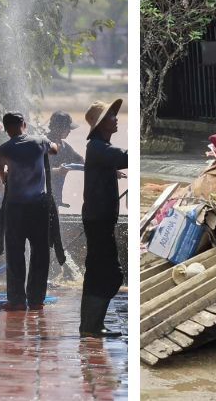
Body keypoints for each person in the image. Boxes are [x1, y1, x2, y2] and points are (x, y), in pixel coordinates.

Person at [0, 111, 59, 312]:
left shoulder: (4, 148)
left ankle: (16, 301)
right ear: (23, 124)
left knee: (15, 253)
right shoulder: (40, 141)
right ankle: (36, 300)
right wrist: (46, 145)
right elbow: (55, 150)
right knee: (40, 252)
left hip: (15, 208)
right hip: (38, 207)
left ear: (6, 129)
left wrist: (6, 174)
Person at [79, 99, 128, 338]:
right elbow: (125, 157)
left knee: (97, 272)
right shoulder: (98, 148)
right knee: (111, 274)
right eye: (111, 116)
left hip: (99, 219)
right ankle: (91, 325)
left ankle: (91, 325)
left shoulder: (100, 148)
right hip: (98, 220)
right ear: (100, 124)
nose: (116, 119)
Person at [47, 111, 84, 208]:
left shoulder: (64, 146)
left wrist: (107, 170)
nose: (69, 131)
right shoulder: (46, 143)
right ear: (59, 128)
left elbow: (81, 161)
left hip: (55, 198)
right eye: (68, 128)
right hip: (41, 197)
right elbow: (38, 171)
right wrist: (58, 170)